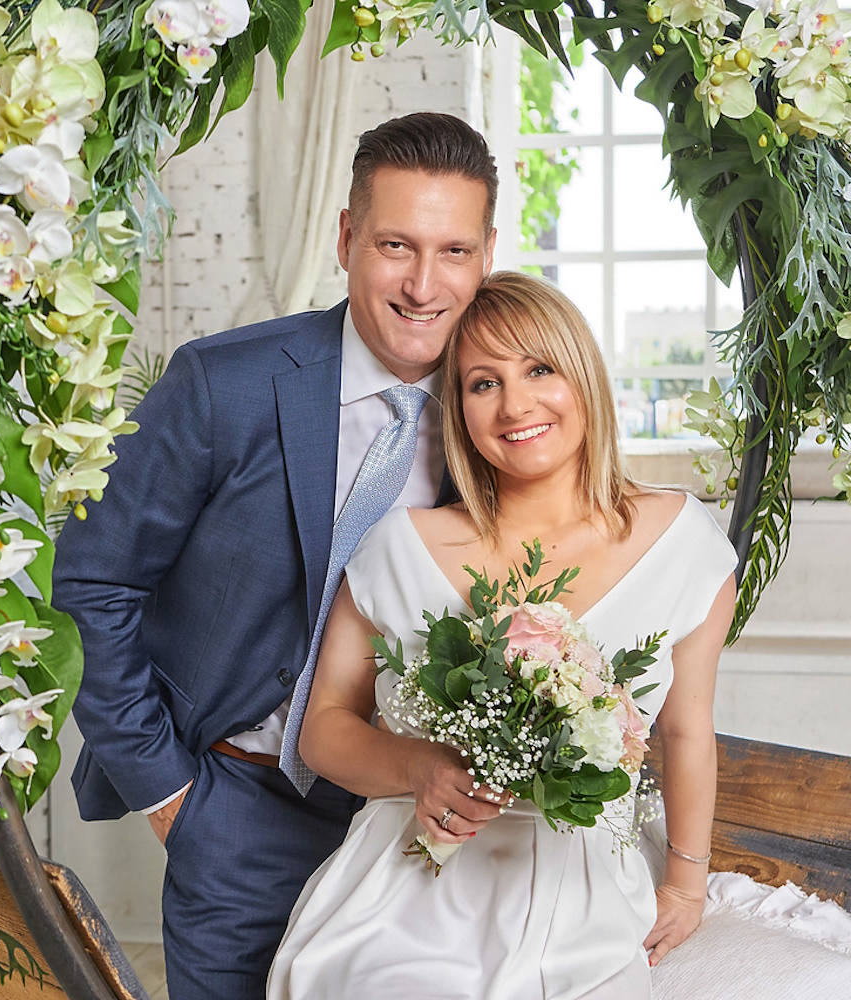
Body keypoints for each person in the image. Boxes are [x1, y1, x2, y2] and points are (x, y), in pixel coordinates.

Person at [51, 112, 498, 1000]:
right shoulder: (225, 385)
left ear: (487, 255)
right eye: (396, 245)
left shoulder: (503, 413)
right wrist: (173, 797)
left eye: (453, 251)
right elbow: (93, 580)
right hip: (237, 807)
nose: (423, 284)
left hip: (417, 824)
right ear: (346, 237)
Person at [266, 271, 739, 998]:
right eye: (483, 383)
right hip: (411, 880)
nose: (515, 405)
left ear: (582, 375)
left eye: (539, 369)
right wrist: (418, 767)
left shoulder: (683, 542)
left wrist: (685, 884)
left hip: (582, 882)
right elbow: (322, 729)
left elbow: (686, 732)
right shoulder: (399, 545)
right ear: (459, 410)